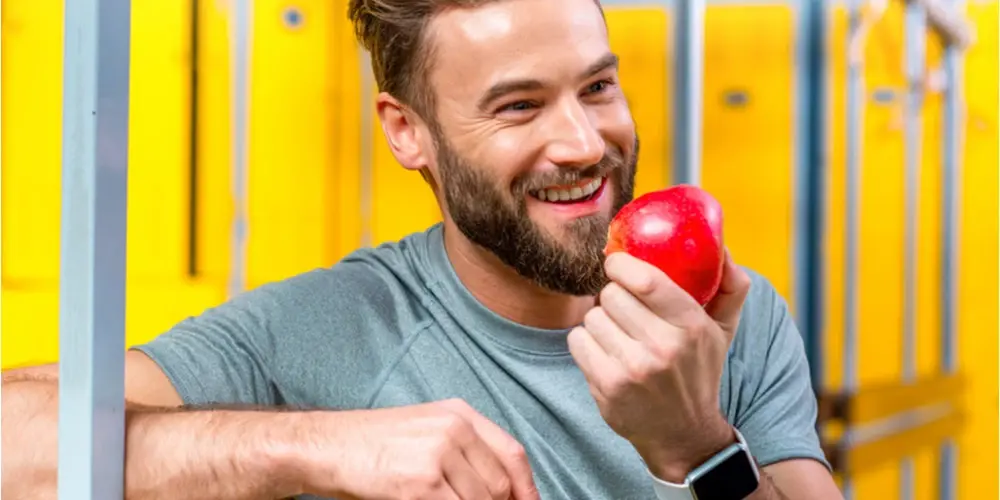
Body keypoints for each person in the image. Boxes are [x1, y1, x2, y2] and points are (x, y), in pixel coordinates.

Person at [2, 0, 845, 498]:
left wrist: (698, 447)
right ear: (408, 133)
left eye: (597, 86)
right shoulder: (340, 325)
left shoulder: (726, 310)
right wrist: (316, 445)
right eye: (519, 107)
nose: (585, 142)